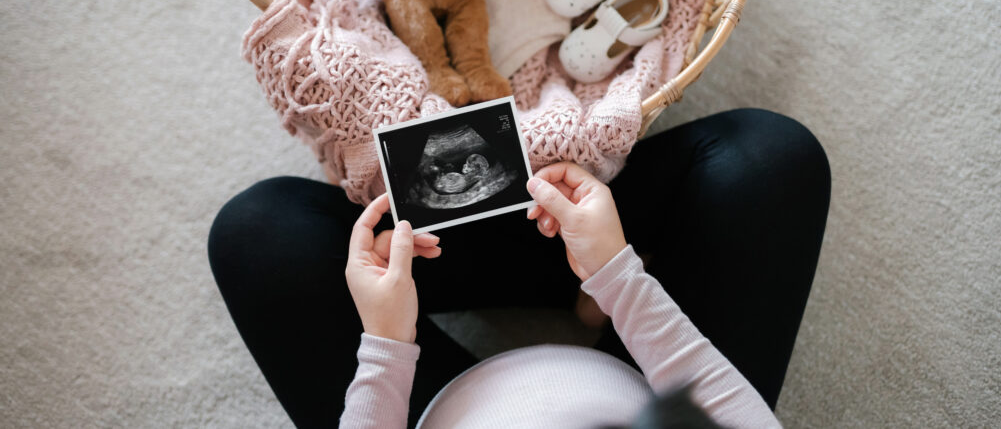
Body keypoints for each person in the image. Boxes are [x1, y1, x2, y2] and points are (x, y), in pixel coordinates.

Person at [208, 109, 830, 428]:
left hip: (430, 401)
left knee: (257, 233)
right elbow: (718, 408)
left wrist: (386, 344)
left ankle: (560, 272)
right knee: (770, 161)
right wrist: (616, 275)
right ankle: (579, 285)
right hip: (638, 379)